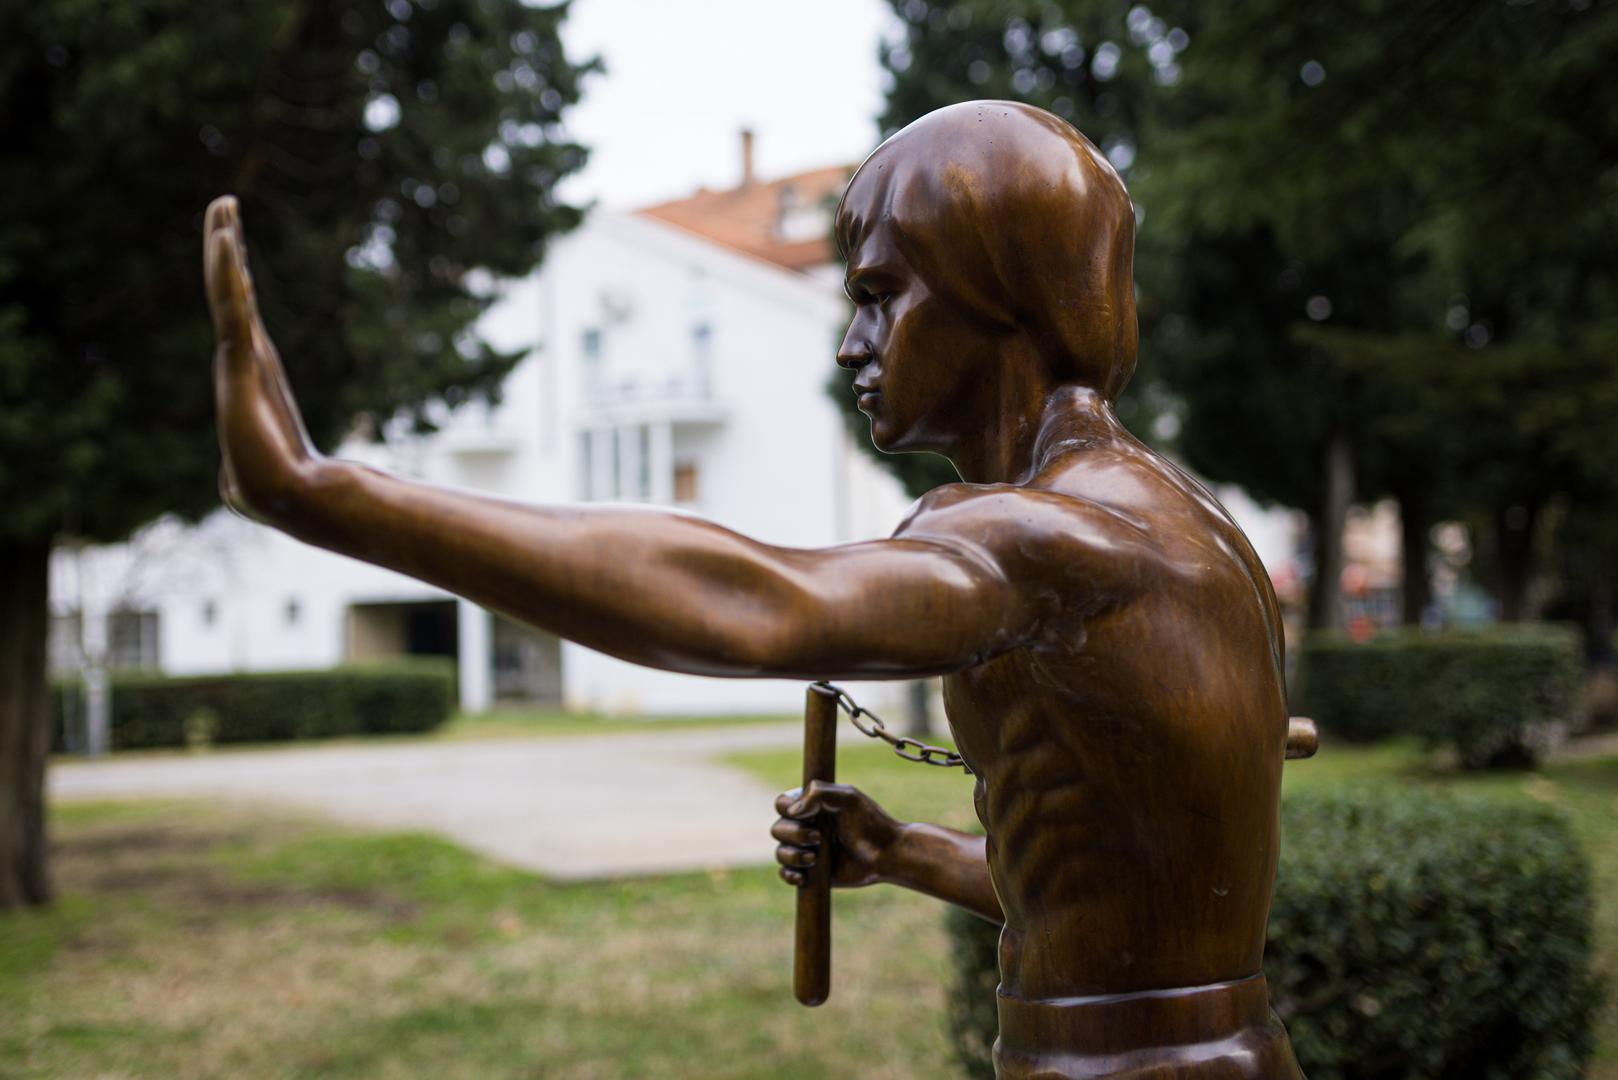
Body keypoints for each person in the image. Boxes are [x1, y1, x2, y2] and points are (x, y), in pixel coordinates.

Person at [206, 100, 1300, 1078]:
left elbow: (756, 606)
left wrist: (324, 494)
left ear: (996, 291)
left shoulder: (1053, 538)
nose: (851, 345)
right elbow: (1106, 902)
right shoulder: (1183, 521)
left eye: (880, 296)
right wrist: (899, 850)